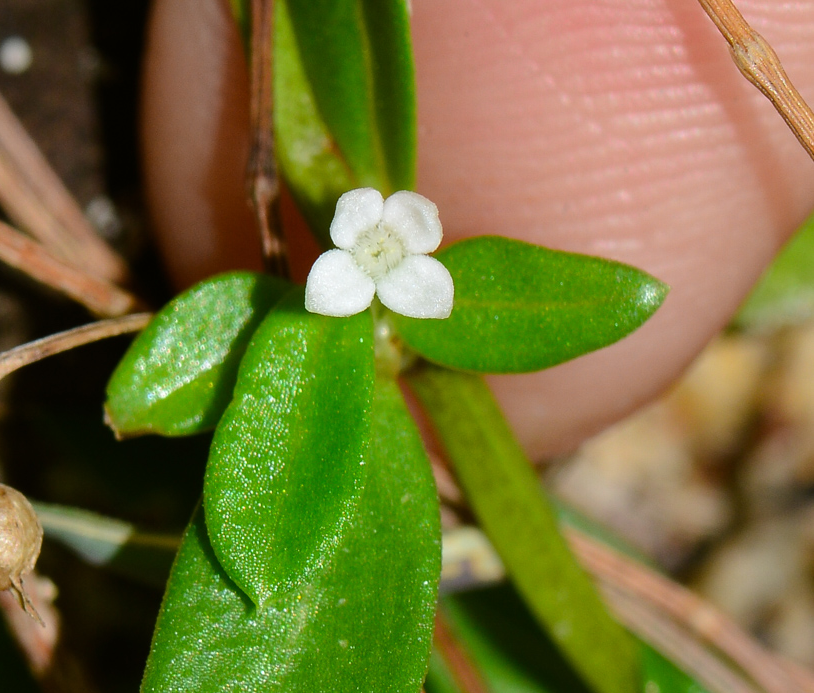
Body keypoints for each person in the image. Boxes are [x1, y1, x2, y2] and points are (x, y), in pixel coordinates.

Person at [140, 0, 814, 459]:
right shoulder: (358, 255)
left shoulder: (415, 266)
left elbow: (424, 282)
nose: (378, 249)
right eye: (374, 246)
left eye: (384, 246)